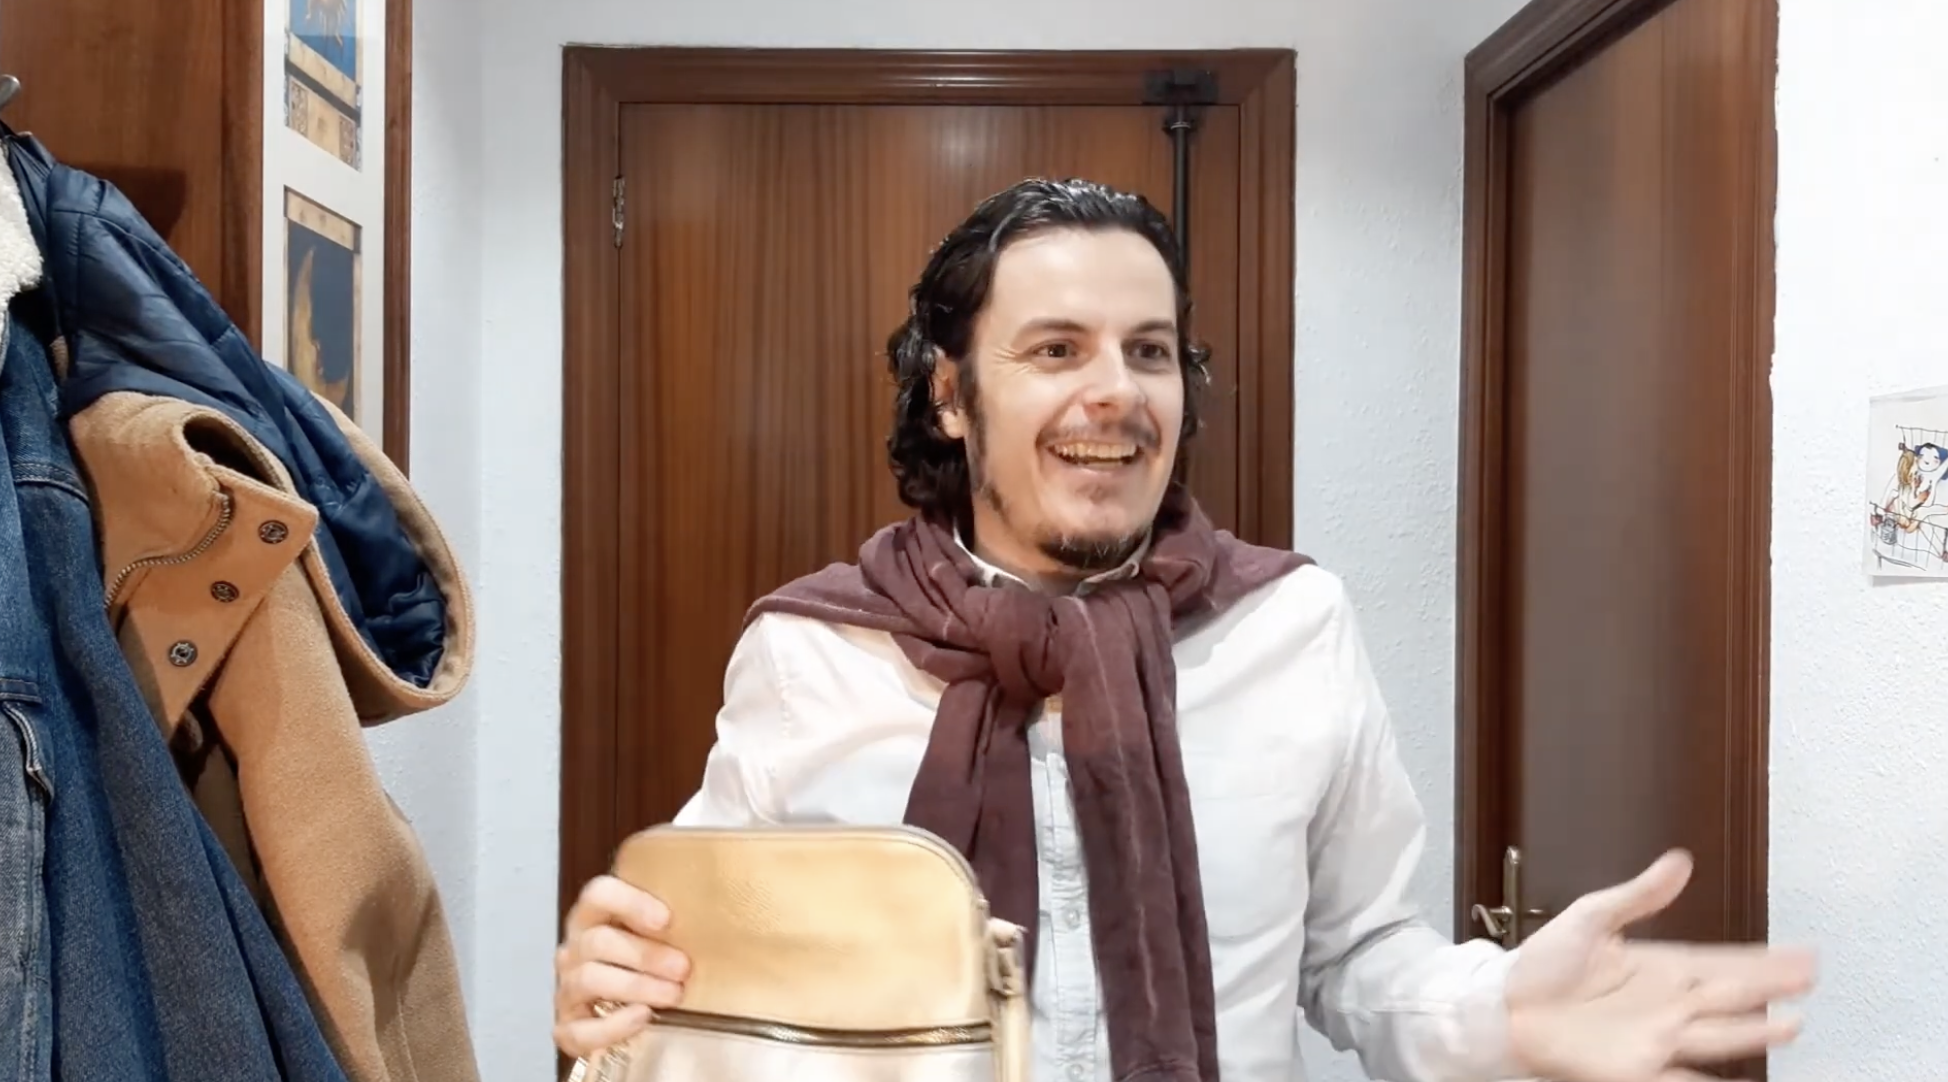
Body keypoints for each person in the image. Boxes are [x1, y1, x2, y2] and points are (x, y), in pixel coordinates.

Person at [553, 178, 1816, 1082]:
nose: (1114, 390)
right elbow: (700, 973)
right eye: (1056, 348)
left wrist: (1502, 1013)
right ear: (951, 394)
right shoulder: (812, 650)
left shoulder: (1292, 624)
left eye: (1148, 350)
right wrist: (612, 985)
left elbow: (1358, 954)